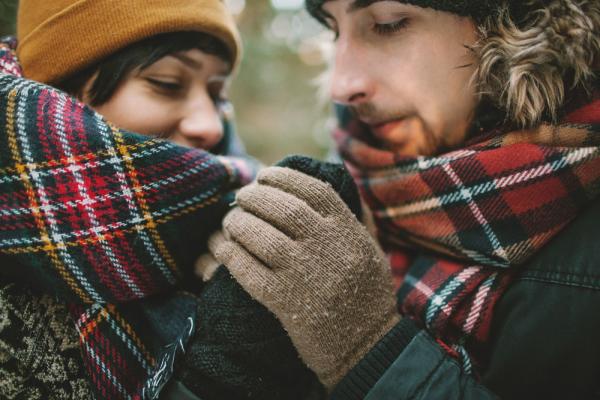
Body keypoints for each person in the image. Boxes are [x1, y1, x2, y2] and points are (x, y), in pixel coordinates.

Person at [206, 0, 600, 398]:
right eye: (333, 30)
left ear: (514, 22)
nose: (341, 86)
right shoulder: (357, 183)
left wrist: (367, 349)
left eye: (387, 25)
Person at [0, 0, 287, 398]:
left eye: (218, 93)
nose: (209, 124)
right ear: (61, 91)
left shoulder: (247, 221)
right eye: (167, 83)